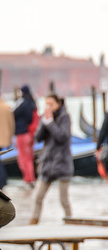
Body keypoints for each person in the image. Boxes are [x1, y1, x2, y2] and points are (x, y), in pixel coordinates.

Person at [30, 94, 73, 225]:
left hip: (62, 162)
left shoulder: (65, 117)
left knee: (63, 199)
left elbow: (62, 136)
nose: (48, 107)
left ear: (58, 104)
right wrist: (45, 122)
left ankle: (70, 222)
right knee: (38, 197)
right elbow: (38, 137)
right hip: (48, 162)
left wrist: (51, 123)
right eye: (46, 104)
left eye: (51, 104)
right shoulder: (46, 117)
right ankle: (33, 223)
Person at [13, 85, 37, 189]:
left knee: (24, 159)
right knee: (28, 158)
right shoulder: (32, 103)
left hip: (23, 134)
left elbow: (14, 114)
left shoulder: (24, 104)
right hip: (29, 135)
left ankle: (28, 180)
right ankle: (30, 180)